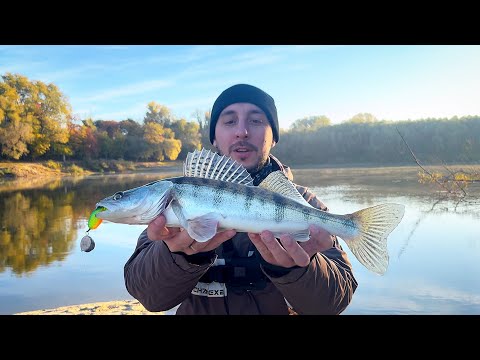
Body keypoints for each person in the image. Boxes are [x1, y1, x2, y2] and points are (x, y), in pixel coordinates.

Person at [124, 84, 358, 315]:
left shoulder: (305, 203)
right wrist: (177, 256)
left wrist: (299, 270)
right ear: (214, 138)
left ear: (273, 137)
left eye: (256, 121)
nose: (242, 131)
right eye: (229, 121)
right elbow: (149, 298)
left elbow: (334, 304)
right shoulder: (173, 204)